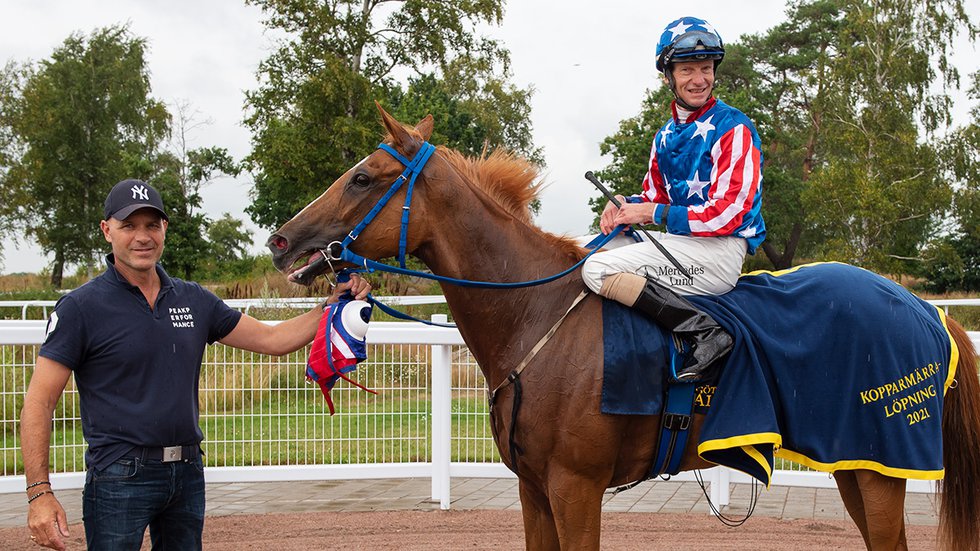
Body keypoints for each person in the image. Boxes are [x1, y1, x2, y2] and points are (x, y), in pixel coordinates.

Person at [20, 179, 370, 550]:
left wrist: (334, 305)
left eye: (152, 225)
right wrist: (39, 492)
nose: (143, 237)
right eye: (129, 226)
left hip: (186, 472)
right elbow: (39, 401)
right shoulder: (80, 308)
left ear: (165, 229)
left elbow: (273, 340)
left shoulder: (193, 299)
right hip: (119, 476)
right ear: (107, 231)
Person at [582, 16, 766, 383]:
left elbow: (728, 214)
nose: (699, 79)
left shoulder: (736, 128)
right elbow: (654, 197)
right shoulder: (665, 136)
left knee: (596, 270)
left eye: (706, 68)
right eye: (688, 70)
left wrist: (652, 211)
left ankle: (706, 332)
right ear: (669, 76)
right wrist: (623, 204)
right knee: (581, 252)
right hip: (682, 245)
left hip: (719, 253)